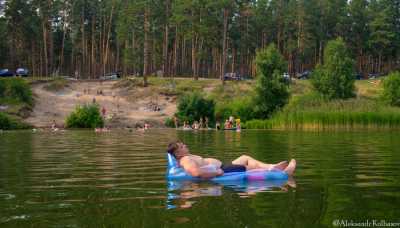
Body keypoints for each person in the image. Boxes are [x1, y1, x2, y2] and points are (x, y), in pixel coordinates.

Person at [167, 141, 296, 179]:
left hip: (224, 166)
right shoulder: (185, 160)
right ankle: (283, 173)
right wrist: (216, 173)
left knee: (245, 157)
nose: (186, 146)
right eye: (183, 146)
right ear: (178, 153)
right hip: (222, 170)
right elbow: (195, 173)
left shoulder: (185, 157)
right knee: (251, 168)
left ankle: (273, 166)